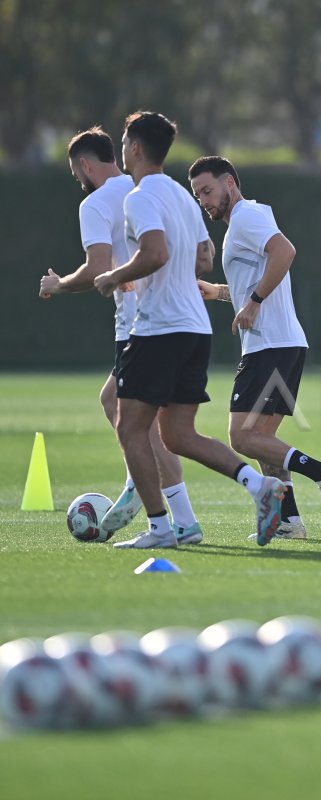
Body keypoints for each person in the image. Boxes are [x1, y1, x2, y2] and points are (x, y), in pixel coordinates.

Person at [92, 110, 285, 549]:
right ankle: (261, 487)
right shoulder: (182, 197)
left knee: (129, 428)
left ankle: (161, 528)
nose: (123, 151)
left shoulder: (139, 197)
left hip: (159, 327)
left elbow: (156, 252)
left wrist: (116, 275)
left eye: (124, 143)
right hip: (196, 329)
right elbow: (203, 258)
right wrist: (166, 268)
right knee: (178, 435)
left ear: (135, 148)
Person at [38, 127, 200, 544]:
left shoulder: (95, 202)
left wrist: (58, 285)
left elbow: (96, 269)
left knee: (134, 423)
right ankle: (174, 512)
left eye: (78, 173)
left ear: (86, 165)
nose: (80, 180)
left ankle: (155, 502)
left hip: (139, 324)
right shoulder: (148, 185)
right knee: (138, 417)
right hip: (172, 320)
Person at [188, 155, 321, 540]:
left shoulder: (246, 216)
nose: (204, 201)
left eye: (207, 191)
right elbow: (258, 281)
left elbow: (286, 252)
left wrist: (254, 300)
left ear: (230, 182)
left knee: (242, 438)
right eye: (197, 196)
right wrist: (222, 293)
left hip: (271, 347)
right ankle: (288, 521)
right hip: (281, 345)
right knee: (265, 444)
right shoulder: (243, 223)